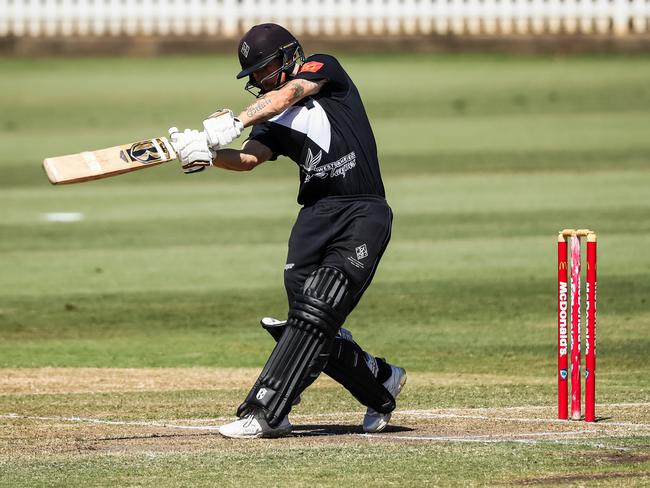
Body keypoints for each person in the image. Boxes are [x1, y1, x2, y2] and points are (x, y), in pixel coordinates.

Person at [169, 23, 406, 439]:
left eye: (265, 69)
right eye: (254, 76)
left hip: (362, 210)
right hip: (314, 218)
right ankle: (380, 379)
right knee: (310, 320)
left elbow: (289, 94)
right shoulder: (269, 116)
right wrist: (208, 155)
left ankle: (266, 411)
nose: (260, 81)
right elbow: (248, 159)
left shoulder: (323, 69)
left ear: (289, 57)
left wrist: (236, 119)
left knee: (319, 304)